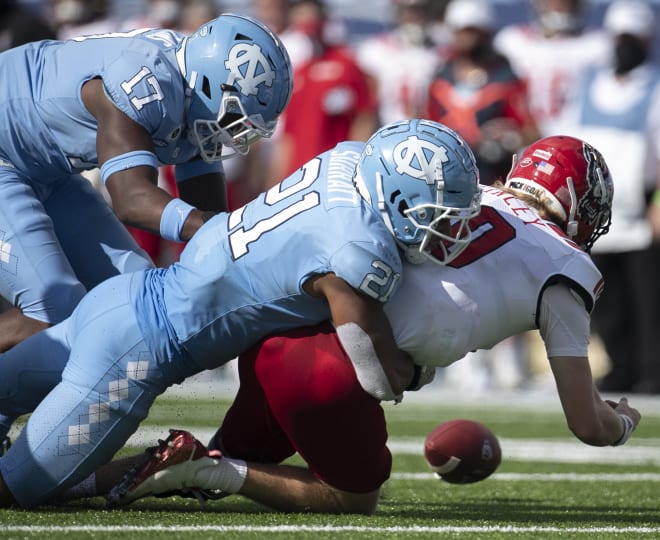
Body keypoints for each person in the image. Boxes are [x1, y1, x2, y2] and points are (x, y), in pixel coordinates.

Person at [97, 135, 640, 514]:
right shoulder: (567, 266)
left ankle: (59, 482)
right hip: (335, 368)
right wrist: (622, 422)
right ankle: (201, 468)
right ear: (580, 203)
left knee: (235, 459)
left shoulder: (461, 192)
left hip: (282, 332)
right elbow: (587, 423)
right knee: (351, 497)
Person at [0, 118, 482, 509]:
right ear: (395, 197)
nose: (445, 228)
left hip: (121, 299)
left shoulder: (349, 157)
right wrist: (419, 368)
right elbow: (374, 374)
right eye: (436, 212)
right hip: (131, 359)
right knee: (13, 491)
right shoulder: (358, 251)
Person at [0, 13, 293, 353]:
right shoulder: (145, 79)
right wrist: (235, 230)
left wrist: (244, 254)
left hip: (46, 168)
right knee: (53, 309)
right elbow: (132, 200)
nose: (239, 131)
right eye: (235, 113)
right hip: (9, 153)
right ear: (212, 84)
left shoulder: (194, 93)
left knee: (133, 301)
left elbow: (209, 219)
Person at [559, 1, 660, 394]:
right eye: (620, 37)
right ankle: (621, 367)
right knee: (605, 296)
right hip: (594, 207)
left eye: (632, 38)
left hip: (642, 206)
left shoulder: (655, 86)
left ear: (648, 40)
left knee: (648, 298)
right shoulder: (586, 85)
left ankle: (652, 370)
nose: (624, 45)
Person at [270, 0, 378, 180]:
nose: (308, 29)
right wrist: (274, 183)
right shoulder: (296, 74)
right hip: (298, 177)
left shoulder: (344, 63)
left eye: (312, 20)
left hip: (334, 175)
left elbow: (364, 117)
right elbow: (287, 138)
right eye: (301, 22)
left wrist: (354, 168)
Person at [493, 0, 610, 137]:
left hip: (575, 137)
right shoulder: (512, 41)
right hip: (523, 140)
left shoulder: (597, 44)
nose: (560, 5)